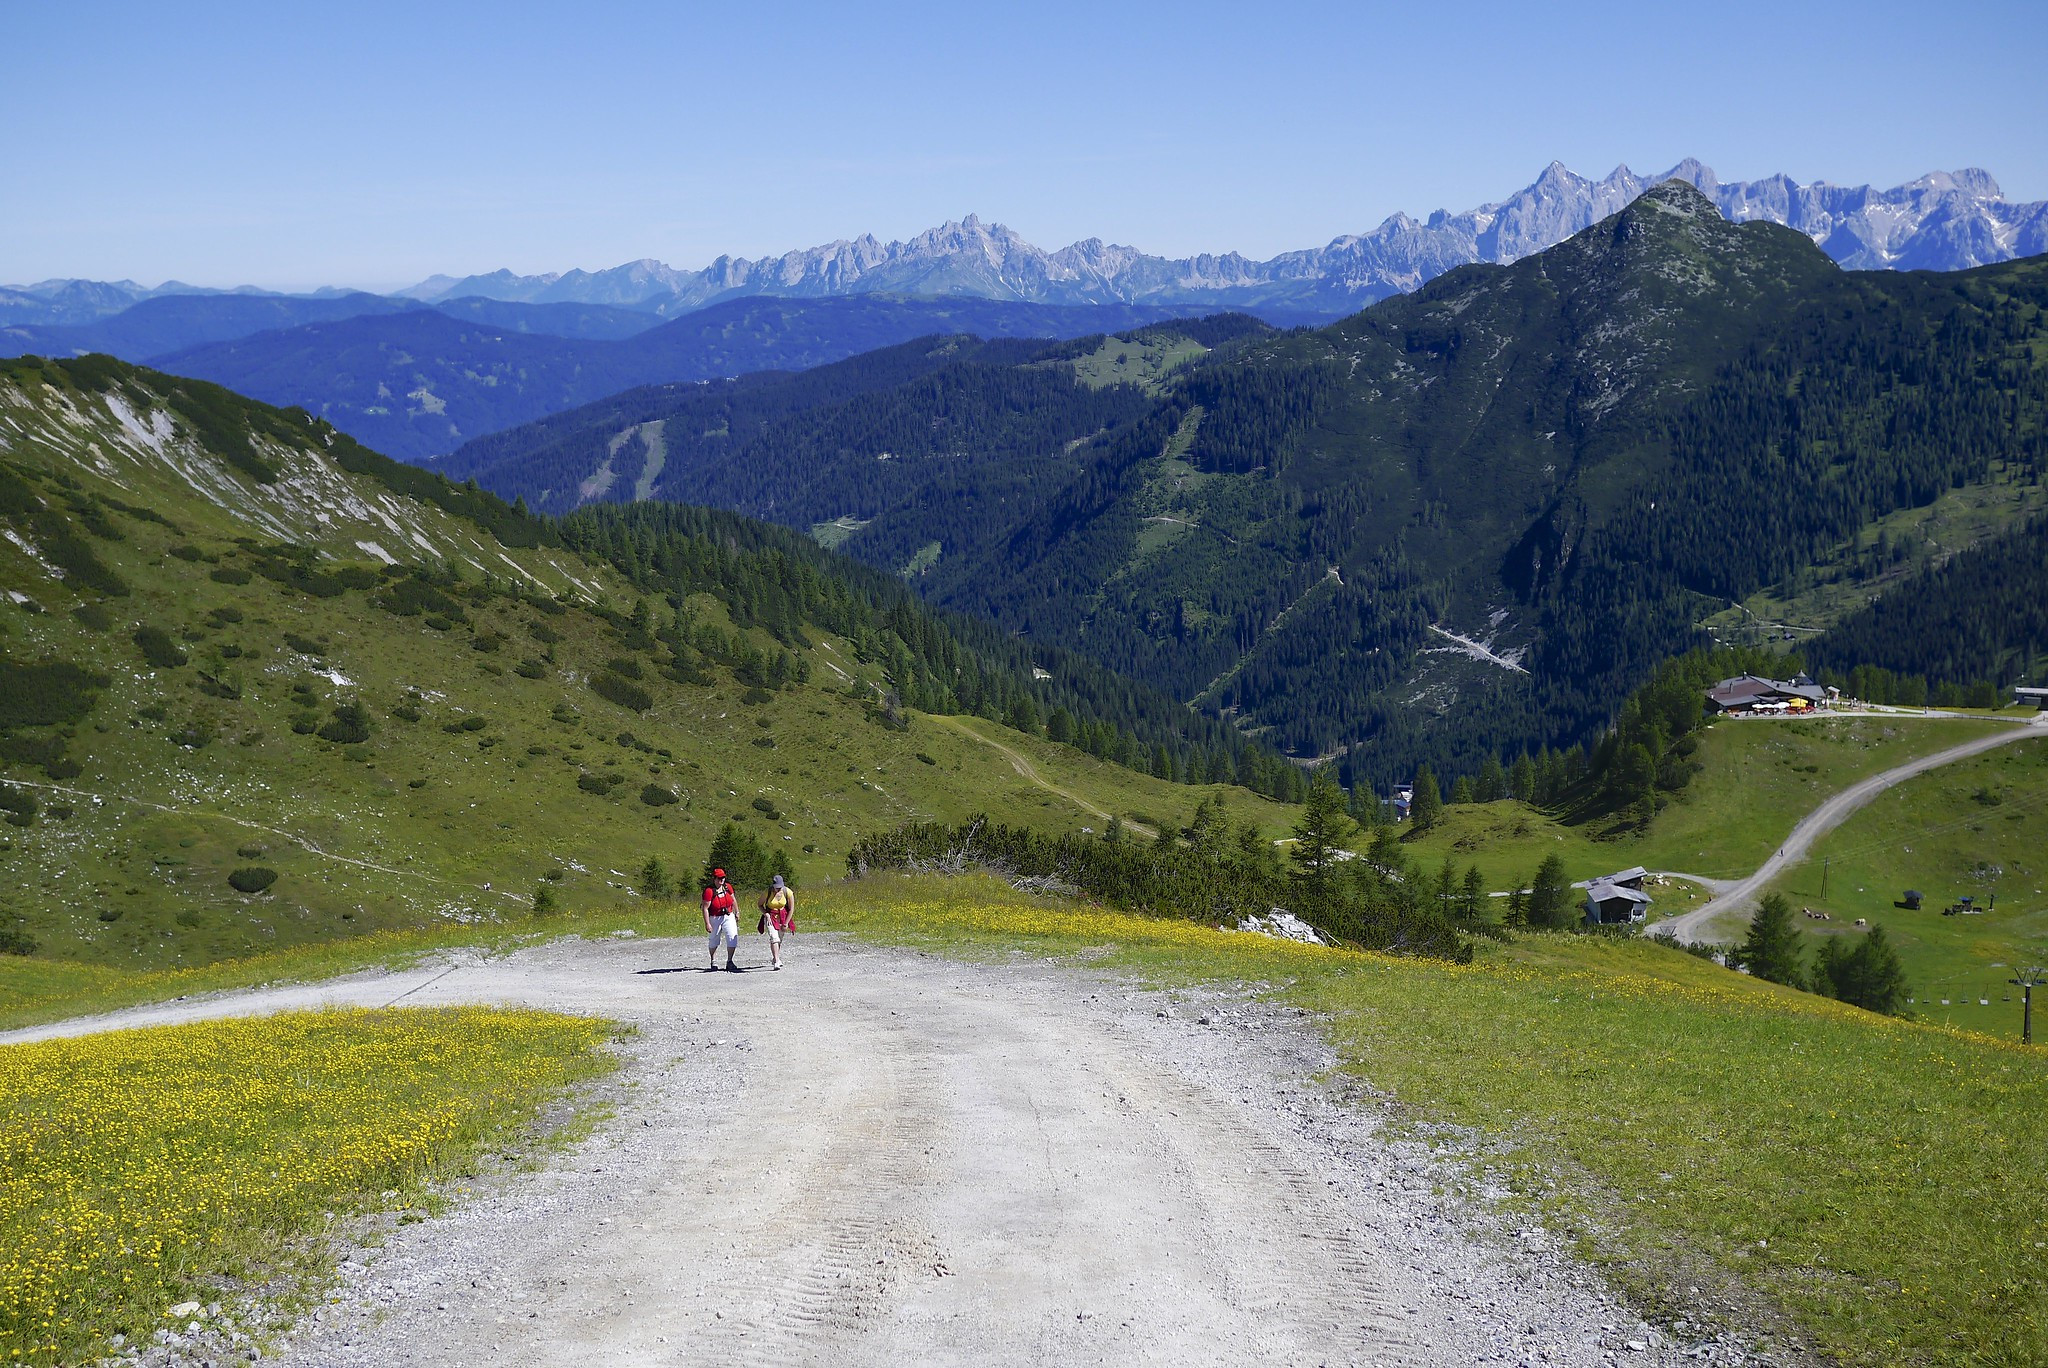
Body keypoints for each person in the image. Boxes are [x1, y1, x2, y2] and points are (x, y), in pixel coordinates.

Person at [703, 868, 740, 972]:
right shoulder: (709, 891)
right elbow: (705, 908)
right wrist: (707, 923)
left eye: (723, 878)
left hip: (728, 915)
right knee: (714, 940)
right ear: (714, 879)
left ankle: (729, 961)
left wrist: (737, 912)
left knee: (732, 936)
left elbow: (733, 899)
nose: (722, 880)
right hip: (715, 917)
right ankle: (713, 960)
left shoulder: (728, 887)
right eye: (719, 878)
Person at [760, 873, 796, 970]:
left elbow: (791, 909)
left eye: (780, 887)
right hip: (770, 916)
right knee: (774, 937)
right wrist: (766, 914)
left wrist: (786, 923)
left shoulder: (787, 892)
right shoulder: (767, 892)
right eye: (776, 888)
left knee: (779, 938)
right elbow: (760, 905)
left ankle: (775, 957)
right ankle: (776, 960)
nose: (778, 890)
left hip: (783, 916)